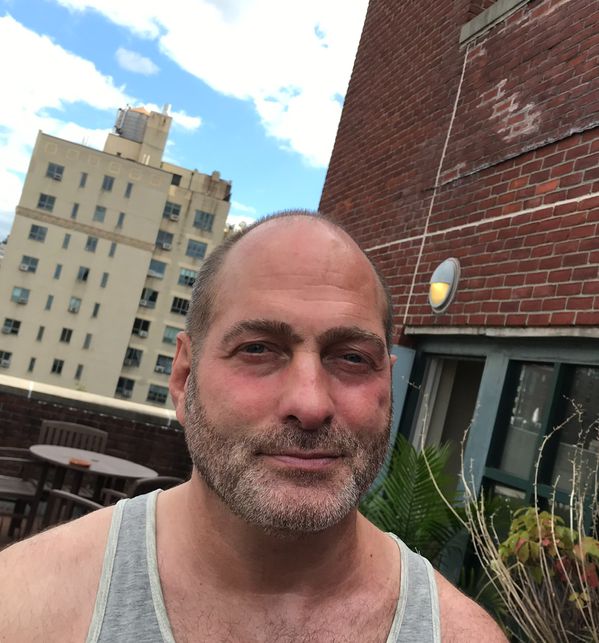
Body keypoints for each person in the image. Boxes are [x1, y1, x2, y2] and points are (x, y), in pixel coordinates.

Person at [0, 211, 506, 642]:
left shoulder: (461, 635)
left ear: (387, 386)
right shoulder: (25, 607)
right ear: (184, 377)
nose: (310, 404)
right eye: (258, 349)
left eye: (352, 357)